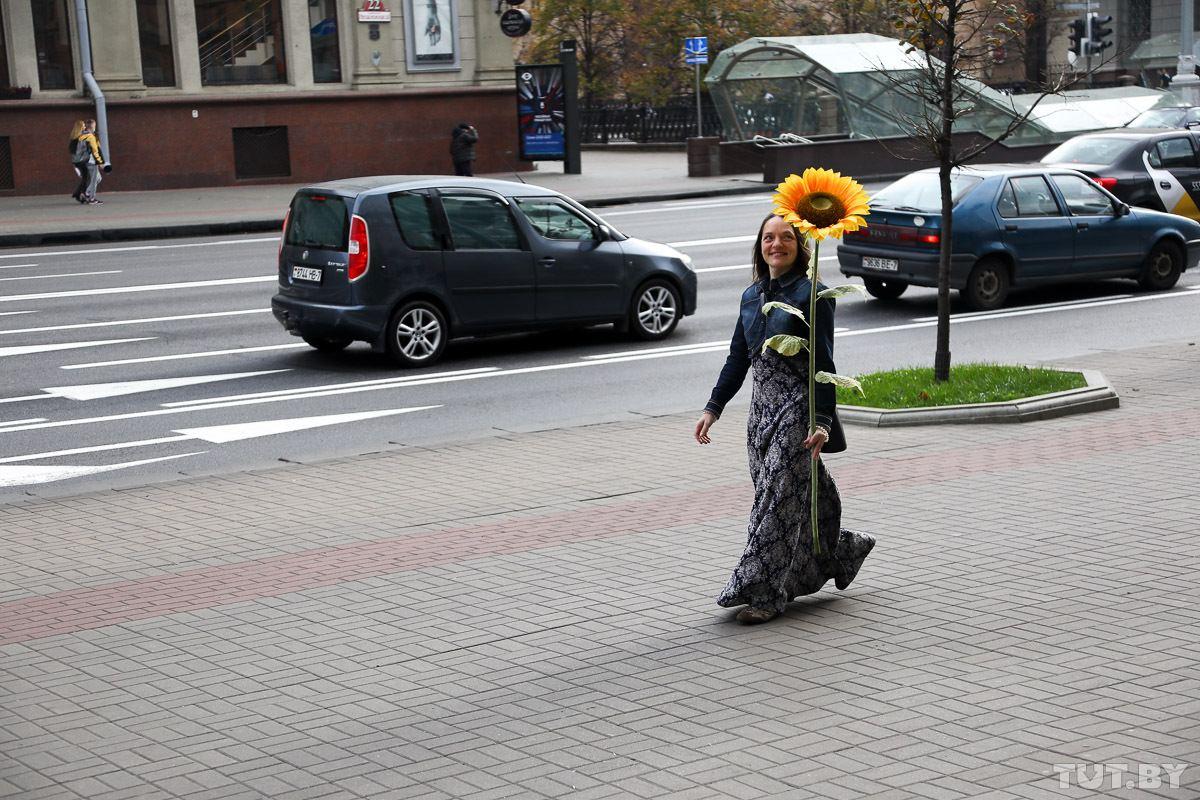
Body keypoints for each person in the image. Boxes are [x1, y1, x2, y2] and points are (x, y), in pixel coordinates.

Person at [694, 214, 875, 625]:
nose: (777, 244)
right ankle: (841, 550)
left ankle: (764, 593)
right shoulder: (750, 296)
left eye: (787, 237)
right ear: (759, 245)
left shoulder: (814, 295)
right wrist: (713, 408)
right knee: (791, 498)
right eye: (768, 237)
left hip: (797, 408)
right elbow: (737, 359)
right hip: (760, 413)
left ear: (800, 245)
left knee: (775, 506)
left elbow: (825, 364)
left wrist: (823, 421)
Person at [75, 119, 108, 204]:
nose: (95, 128)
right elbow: (95, 151)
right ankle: (91, 198)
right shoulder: (90, 137)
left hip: (84, 161)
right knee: (94, 180)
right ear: (92, 126)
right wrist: (100, 163)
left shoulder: (81, 135)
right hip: (91, 161)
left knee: (98, 178)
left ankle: (85, 193)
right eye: (95, 126)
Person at [68, 120, 89, 204]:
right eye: (83, 126)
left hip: (76, 161)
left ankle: (78, 193)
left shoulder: (73, 138)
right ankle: (79, 193)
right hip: (81, 160)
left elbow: (71, 151)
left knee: (86, 177)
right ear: (80, 127)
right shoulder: (80, 138)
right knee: (87, 177)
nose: (84, 127)